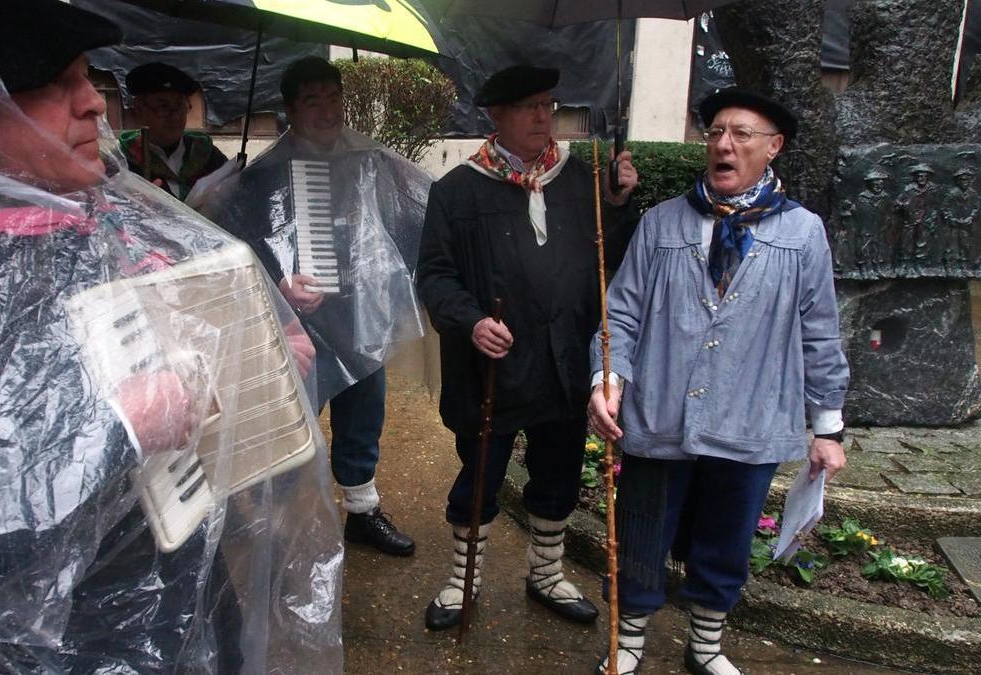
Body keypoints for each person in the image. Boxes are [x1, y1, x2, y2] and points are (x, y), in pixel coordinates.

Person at [0, 1, 341, 672]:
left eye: (87, 77)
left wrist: (254, 360)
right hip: (64, 647)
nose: (93, 103)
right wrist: (118, 426)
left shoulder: (82, 212)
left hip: (158, 605)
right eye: (58, 83)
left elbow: (163, 360)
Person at [587, 87, 849, 675]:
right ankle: (628, 639)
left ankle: (705, 644)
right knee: (642, 531)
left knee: (727, 538)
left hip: (751, 421)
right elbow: (620, 313)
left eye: (741, 135)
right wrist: (608, 378)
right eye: (715, 133)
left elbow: (820, 333)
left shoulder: (803, 233)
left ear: (773, 148)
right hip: (661, 414)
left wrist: (828, 428)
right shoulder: (662, 222)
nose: (724, 145)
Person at [416, 64, 639, 631]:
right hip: (492, 366)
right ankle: (463, 578)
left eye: (548, 105)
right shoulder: (457, 190)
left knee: (558, 470)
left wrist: (616, 203)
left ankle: (546, 572)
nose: (544, 116)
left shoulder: (581, 179)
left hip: (562, 358)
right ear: (497, 115)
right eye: (529, 107)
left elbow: (609, 258)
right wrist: (471, 322)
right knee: (481, 474)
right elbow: (435, 276)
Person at [214, 56, 428, 557]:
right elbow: (236, 250)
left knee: (364, 417)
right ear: (290, 111)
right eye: (313, 101)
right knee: (291, 419)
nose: (327, 111)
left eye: (334, 98)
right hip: (295, 325)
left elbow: (406, 225)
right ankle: (278, 523)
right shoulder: (262, 176)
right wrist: (279, 286)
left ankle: (362, 511)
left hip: (360, 316)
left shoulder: (372, 161)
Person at [119, 62, 236, 207]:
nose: (174, 117)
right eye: (163, 107)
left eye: (180, 105)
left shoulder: (207, 155)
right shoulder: (123, 162)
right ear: (139, 109)